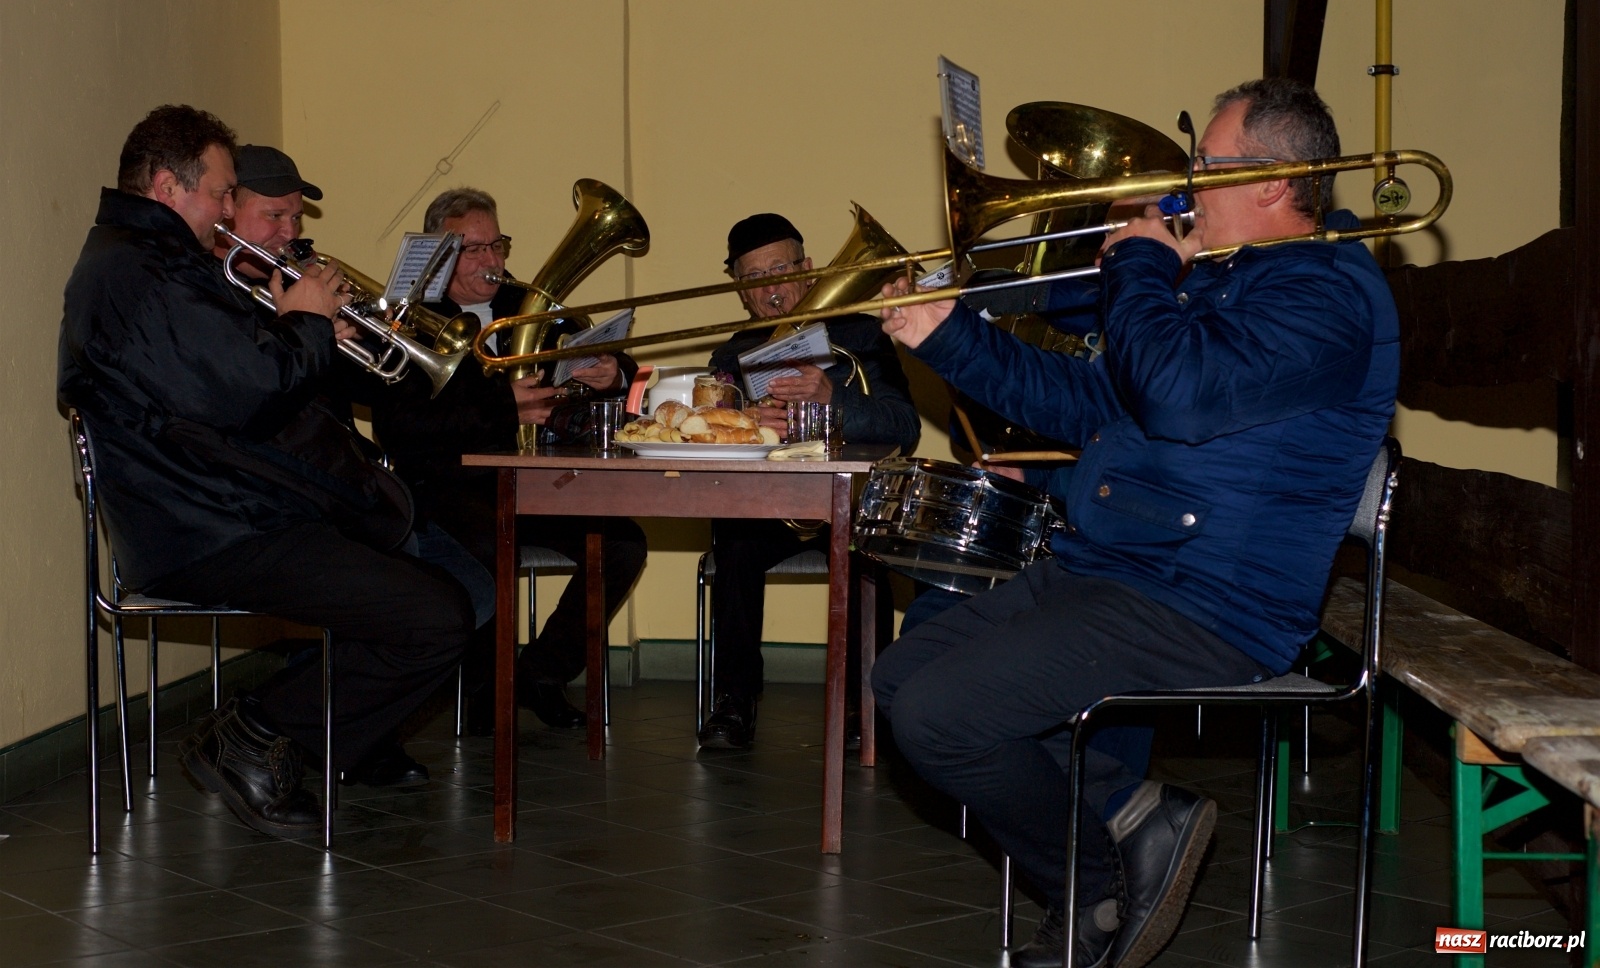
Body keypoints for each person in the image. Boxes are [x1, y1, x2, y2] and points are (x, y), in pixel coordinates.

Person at [871, 78, 1400, 968]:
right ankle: (1128, 813)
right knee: (901, 680)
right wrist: (946, 337)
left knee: (939, 717)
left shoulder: (1329, 297)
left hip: (1212, 600)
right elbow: (1091, 402)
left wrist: (1142, 264)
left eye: (1206, 166)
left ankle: (1093, 885)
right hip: (1125, 564)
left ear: (1275, 182)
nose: (1184, 187)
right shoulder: (1235, 283)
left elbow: (1175, 395)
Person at [59, 106, 472, 839]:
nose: (228, 209)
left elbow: (227, 379)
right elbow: (242, 390)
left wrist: (315, 336)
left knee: (430, 595)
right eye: (221, 193)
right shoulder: (137, 272)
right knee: (432, 616)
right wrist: (307, 325)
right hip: (205, 529)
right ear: (166, 187)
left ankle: (267, 738)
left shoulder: (154, 263)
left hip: (225, 512)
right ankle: (251, 734)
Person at [213, 145, 494, 788]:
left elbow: (384, 392)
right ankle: (290, 728)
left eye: (295, 218)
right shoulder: (220, 298)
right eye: (275, 217)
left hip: (351, 486)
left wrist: (361, 334)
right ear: (228, 211)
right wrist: (302, 334)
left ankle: (340, 730)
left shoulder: (289, 281)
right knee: (427, 604)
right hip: (289, 501)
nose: (292, 234)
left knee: (474, 593)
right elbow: (247, 410)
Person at [371, 187, 647, 731]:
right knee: (486, 552)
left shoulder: (527, 303)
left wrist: (611, 372)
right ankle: (480, 690)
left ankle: (538, 674)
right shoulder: (409, 318)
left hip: (537, 485)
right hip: (449, 488)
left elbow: (612, 359)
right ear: (438, 254)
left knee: (622, 544)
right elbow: (400, 429)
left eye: (497, 245)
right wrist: (504, 410)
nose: (493, 261)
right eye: (475, 250)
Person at [697, 213, 922, 750]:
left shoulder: (862, 334)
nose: (772, 289)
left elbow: (904, 426)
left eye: (781, 269)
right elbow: (708, 428)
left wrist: (832, 399)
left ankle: (858, 705)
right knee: (733, 540)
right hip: (771, 505)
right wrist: (747, 419)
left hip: (845, 501)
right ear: (741, 291)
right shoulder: (732, 353)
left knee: (866, 555)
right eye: (755, 279)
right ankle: (734, 699)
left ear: (810, 269)